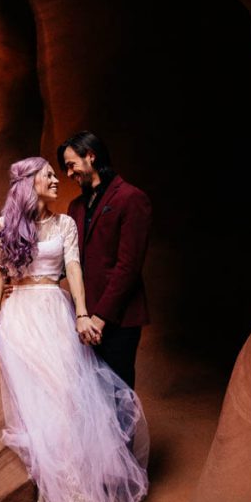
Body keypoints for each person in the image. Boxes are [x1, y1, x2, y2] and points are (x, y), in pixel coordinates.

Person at [0, 157, 148, 502]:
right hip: (21, 310)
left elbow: (73, 268)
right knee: (40, 397)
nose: (57, 180)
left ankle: (79, 490)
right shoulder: (6, 224)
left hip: (56, 308)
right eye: (49, 176)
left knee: (68, 395)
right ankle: (55, 492)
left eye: (58, 174)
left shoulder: (65, 224)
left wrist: (82, 313)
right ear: (29, 183)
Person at [57, 133, 151, 390]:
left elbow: (128, 266)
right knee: (91, 398)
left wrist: (100, 317)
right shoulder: (75, 206)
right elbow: (70, 260)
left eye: (71, 164)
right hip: (83, 319)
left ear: (91, 156)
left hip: (118, 318)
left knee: (118, 395)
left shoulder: (131, 198)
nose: (68, 173)